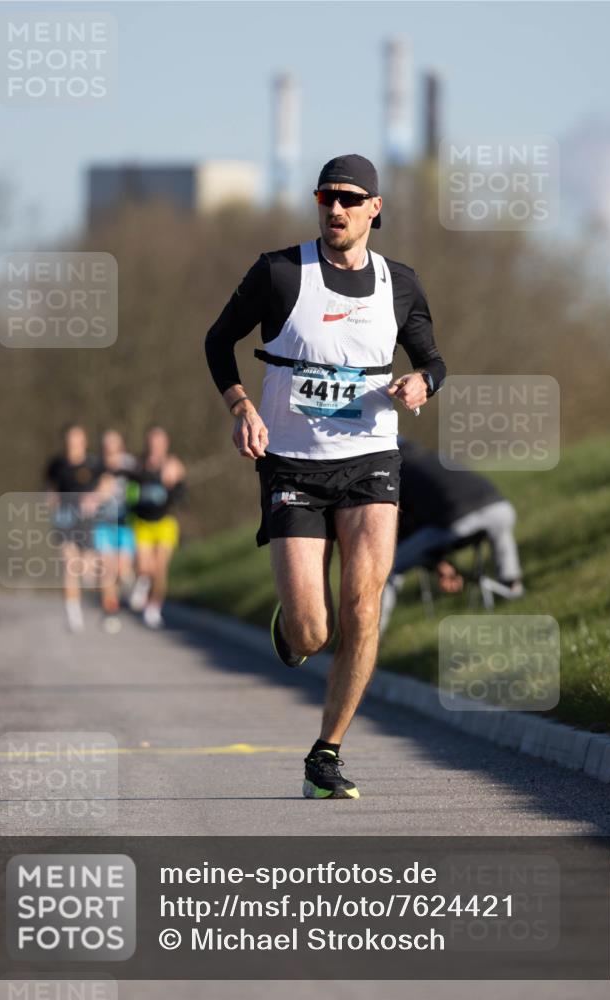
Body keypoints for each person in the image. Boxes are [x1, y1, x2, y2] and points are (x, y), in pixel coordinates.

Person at [205, 154, 446, 799]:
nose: (334, 209)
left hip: (371, 459)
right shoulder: (281, 272)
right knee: (314, 629)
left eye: (348, 199)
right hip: (293, 465)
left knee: (363, 606)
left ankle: (326, 753)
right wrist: (242, 407)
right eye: (325, 198)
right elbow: (217, 341)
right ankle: (292, 630)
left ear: (374, 208)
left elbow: (432, 361)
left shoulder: (401, 284)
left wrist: (422, 382)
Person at [379, 438, 524, 633]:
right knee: (499, 524)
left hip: (457, 521)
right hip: (500, 507)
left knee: (389, 567)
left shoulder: (393, 470)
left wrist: (437, 564)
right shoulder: (431, 456)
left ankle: (373, 634)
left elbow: (404, 526)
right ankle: (513, 588)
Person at [45, 424, 103, 633]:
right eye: (69, 440)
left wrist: (96, 497)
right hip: (64, 518)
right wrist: (50, 501)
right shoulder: (56, 464)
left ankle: (97, 591)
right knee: (69, 563)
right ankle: (73, 613)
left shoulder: (94, 464)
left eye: (77, 440)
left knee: (86, 569)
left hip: (87, 520)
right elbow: (49, 489)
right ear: (65, 442)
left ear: (84, 442)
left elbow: (106, 485)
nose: (73, 444)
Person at [128, 426, 186, 629]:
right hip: (143, 521)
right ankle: (142, 584)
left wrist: (174, 482)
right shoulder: (138, 465)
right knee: (145, 566)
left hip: (165, 521)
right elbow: (129, 493)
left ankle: (153, 607)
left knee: (160, 568)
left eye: (159, 442)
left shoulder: (173, 465)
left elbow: (181, 495)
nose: (155, 446)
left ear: (165, 444)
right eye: (152, 442)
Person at [91, 430, 137, 633]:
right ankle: (110, 611)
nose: (109, 449)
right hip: (102, 524)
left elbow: (141, 483)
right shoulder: (95, 466)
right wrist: (99, 492)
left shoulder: (130, 464)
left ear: (120, 446)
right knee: (107, 571)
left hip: (124, 522)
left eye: (113, 445)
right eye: (106, 445)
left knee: (122, 570)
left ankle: (126, 588)